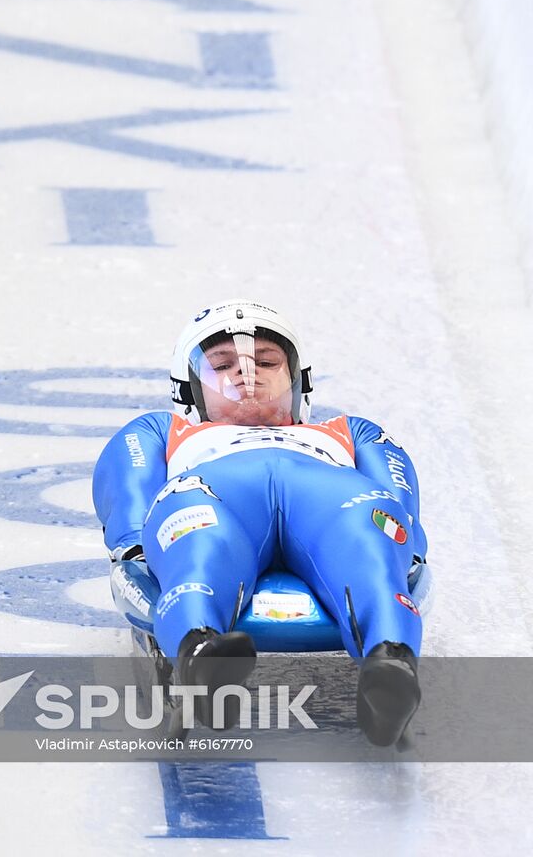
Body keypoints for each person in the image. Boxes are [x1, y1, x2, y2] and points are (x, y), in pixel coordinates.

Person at [92, 299, 429, 746]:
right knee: (200, 539)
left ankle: (390, 666)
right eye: (222, 365)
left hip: (330, 493)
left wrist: (405, 544)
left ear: (297, 380)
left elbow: (395, 494)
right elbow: (128, 479)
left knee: (367, 537)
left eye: (267, 361)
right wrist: (135, 545)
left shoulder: (352, 431)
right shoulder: (165, 430)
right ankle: (200, 655)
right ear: (189, 389)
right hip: (213, 491)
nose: (246, 374)